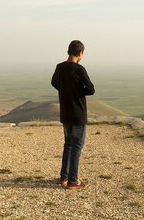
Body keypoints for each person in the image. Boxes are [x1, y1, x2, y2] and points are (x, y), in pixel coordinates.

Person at [51, 40, 95, 190]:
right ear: (81, 53)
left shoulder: (60, 67)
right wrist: (77, 90)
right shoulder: (79, 69)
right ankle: (73, 181)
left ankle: (64, 177)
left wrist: (66, 90)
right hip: (78, 113)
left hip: (65, 112)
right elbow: (91, 89)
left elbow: (54, 82)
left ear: (68, 51)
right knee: (77, 145)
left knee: (68, 144)